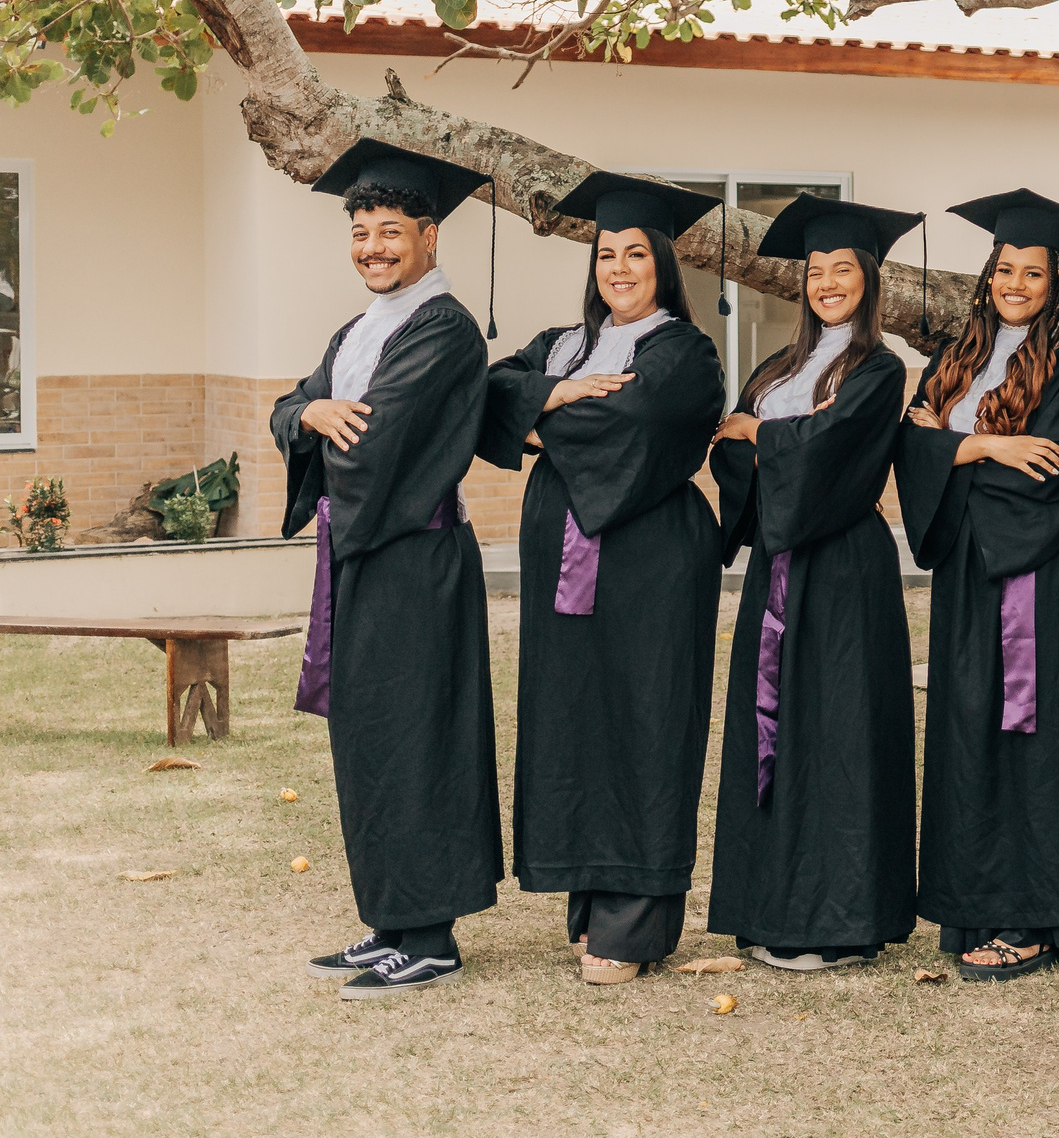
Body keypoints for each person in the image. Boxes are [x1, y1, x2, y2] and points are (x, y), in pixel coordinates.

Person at [479, 171, 727, 987]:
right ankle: (592, 900)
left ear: (663, 263)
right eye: (606, 254)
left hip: (650, 569)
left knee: (645, 721)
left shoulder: (684, 351)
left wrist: (542, 419)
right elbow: (492, 392)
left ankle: (637, 920)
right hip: (568, 572)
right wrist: (555, 392)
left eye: (635, 253)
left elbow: (637, 422)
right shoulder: (563, 345)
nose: (618, 268)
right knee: (578, 721)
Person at [277, 141, 502, 999]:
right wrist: (311, 412)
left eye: (389, 232)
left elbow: (375, 442)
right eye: (361, 233)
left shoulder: (442, 328)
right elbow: (292, 405)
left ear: (428, 236)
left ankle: (432, 934)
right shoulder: (359, 329)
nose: (372, 248)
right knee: (369, 733)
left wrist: (321, 418)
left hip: (414, 558)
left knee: (419, 734)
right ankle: (391, 919)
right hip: (364, 556)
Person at [898, 189, 1059, 982]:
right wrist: (988, 447)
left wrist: (952, 445)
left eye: (1033, 272)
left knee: (1036, 738)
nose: (1016, 284)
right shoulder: (952, 360)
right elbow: (911, 449)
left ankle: (1034, 917)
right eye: (1004, 269)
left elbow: (1053, 471)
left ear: (1055, 284)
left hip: (1037, 575)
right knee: (971, 732)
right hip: (967, 579)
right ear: (986, 276)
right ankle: (977, 905)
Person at [707, 195, 925, 972]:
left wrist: (765, 434)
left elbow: (836, 453)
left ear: (869, 279)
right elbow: (727, 449)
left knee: (840, 736)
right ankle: (771, 908)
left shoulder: (880, 368)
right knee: (775, 732)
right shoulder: (778, 368)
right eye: (816, 270)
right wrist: (781, 437)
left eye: (843, 269)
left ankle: (842, 921)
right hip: (776, 565)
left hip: (843, 573)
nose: (827, 282)